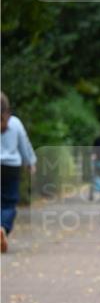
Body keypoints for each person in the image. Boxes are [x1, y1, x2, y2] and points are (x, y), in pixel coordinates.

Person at [1, 92, 37, 253]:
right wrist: (30, 162)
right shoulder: (15, 122)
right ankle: (3, 227)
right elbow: (24, 143)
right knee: (9, 201)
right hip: (11, 167)